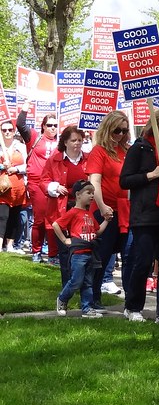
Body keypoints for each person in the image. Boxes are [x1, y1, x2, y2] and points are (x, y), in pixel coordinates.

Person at [119, 109, 159, 325]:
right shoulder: (140, 148)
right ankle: (133, 306)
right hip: (145, 214)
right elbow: (125, 180)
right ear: (156, 129)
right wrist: (152, 174)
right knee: (143, 261)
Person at [86, 110, 132, 305]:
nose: (120, 135)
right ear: (108, 129)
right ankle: (93, 298)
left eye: (124, 130)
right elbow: (94, 181)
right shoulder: (99, 151)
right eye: (116, 130)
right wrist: (103, 206)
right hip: (104, 211)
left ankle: (132, 300)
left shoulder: (128, 151)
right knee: (101, 256)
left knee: (130, 254)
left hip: (126, 210)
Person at [41, 126, 91, 281]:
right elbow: (43, 181)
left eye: (80, 140)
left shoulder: (88, 159)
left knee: (84, 247)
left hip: (83, 211)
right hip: (62, 209)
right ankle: (67, 284)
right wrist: (55, 187)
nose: (77, 143)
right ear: (65, 142)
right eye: (73, 140)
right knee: (65, 249)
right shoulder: (54, 160)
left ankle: (82, 284)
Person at [53, 180, 108, 318]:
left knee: (88, 283)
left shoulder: (89, 214)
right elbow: (56, 224)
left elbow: (97, 231)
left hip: (90, 253)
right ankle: (62, 299)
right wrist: (65, 240)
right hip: (78, 254)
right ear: (78, 195)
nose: (91, 196)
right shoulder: (73, 212)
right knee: (76, 281)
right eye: (88, 193)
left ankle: (87, 308)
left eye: (93, 193)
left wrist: (106, 220)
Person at [16, 108, 60, 263]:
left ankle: (53, 255)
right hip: (37, 183)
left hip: (54, 185)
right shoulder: (35, 137)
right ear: (43, 126)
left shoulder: (60, 142)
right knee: (40, 219)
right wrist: (25, 109)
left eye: (55, 125)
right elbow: (20, 124)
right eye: (49, 125)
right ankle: (37, 251)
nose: (53, 128)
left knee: (54, 220)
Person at [0, 119, 28, 253]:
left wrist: (16, 169)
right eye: (4, 130)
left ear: (13, 131)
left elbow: (28, 165)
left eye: (9, 130)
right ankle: (0, 244)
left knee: (14, 216)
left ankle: (10, 245)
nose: (7, 132)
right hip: (2, 187)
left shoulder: (20, 146)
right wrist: (1, 166)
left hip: (17, 186)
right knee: (2, 215)